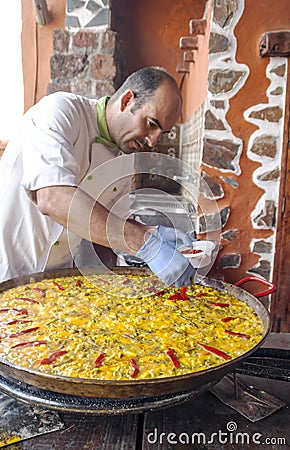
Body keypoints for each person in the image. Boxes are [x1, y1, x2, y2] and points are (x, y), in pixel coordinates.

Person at [0, 66, 195, 286]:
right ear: (127, 100)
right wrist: (145, 244)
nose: (153, 142)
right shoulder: (60, 110)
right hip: (6, 268)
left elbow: (111, 226)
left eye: (162, 133)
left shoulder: (127, 161)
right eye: (151, 124)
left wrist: (154, 233)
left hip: (54, 283)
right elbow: (52, 197)